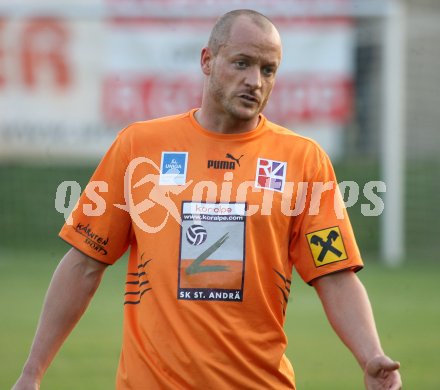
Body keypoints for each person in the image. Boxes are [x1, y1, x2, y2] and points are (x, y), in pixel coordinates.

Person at [13, 9, 401, 390]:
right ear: (207, 60)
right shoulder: (140, 147)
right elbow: (84, 263)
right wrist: (32, 373)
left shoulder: (303, 159)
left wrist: (370, 356)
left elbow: (334, 275)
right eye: (242, 63)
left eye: (268, 70)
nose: (255, 81)